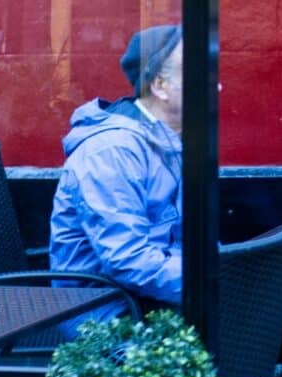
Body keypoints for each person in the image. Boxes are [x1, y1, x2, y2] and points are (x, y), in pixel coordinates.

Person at [49, 25, 184, 319]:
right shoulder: (111, 151)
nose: (216, 86)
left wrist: (223, 271)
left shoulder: (169, 139)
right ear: (160, 86)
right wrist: (209, 281)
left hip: (149, 298)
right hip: (107, 315)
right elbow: (129, 260)